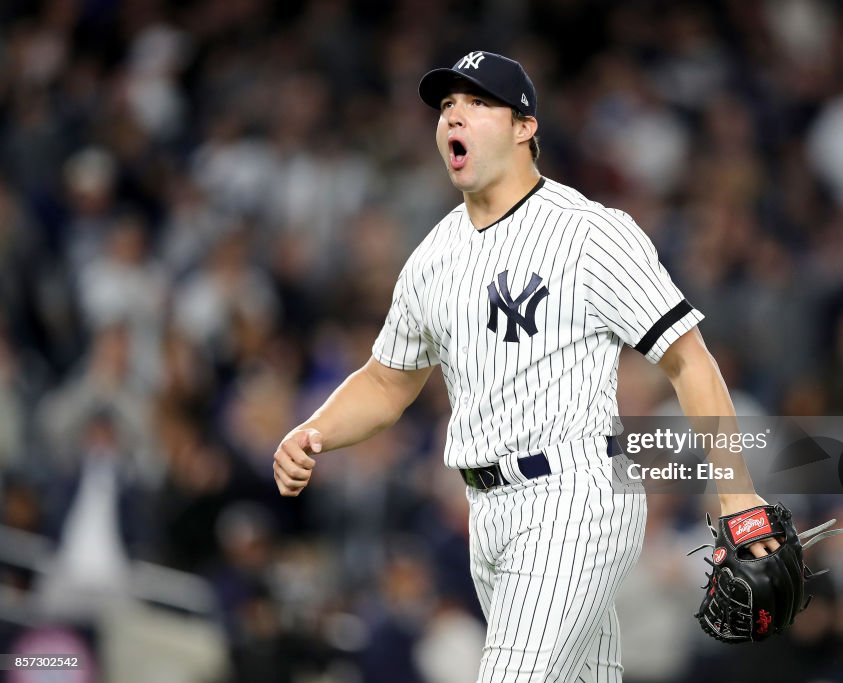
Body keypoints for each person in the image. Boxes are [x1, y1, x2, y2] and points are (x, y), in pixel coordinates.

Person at [273, 51, 778, 682]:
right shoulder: (433, 256)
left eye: (478, 103)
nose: (454, 115)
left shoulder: (589, 233)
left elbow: (689, 362)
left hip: (575, 497)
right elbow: (385, 382)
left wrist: (737, 492)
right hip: (485, 513)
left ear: (524, 127)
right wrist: (311, 431)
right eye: (447, 106)